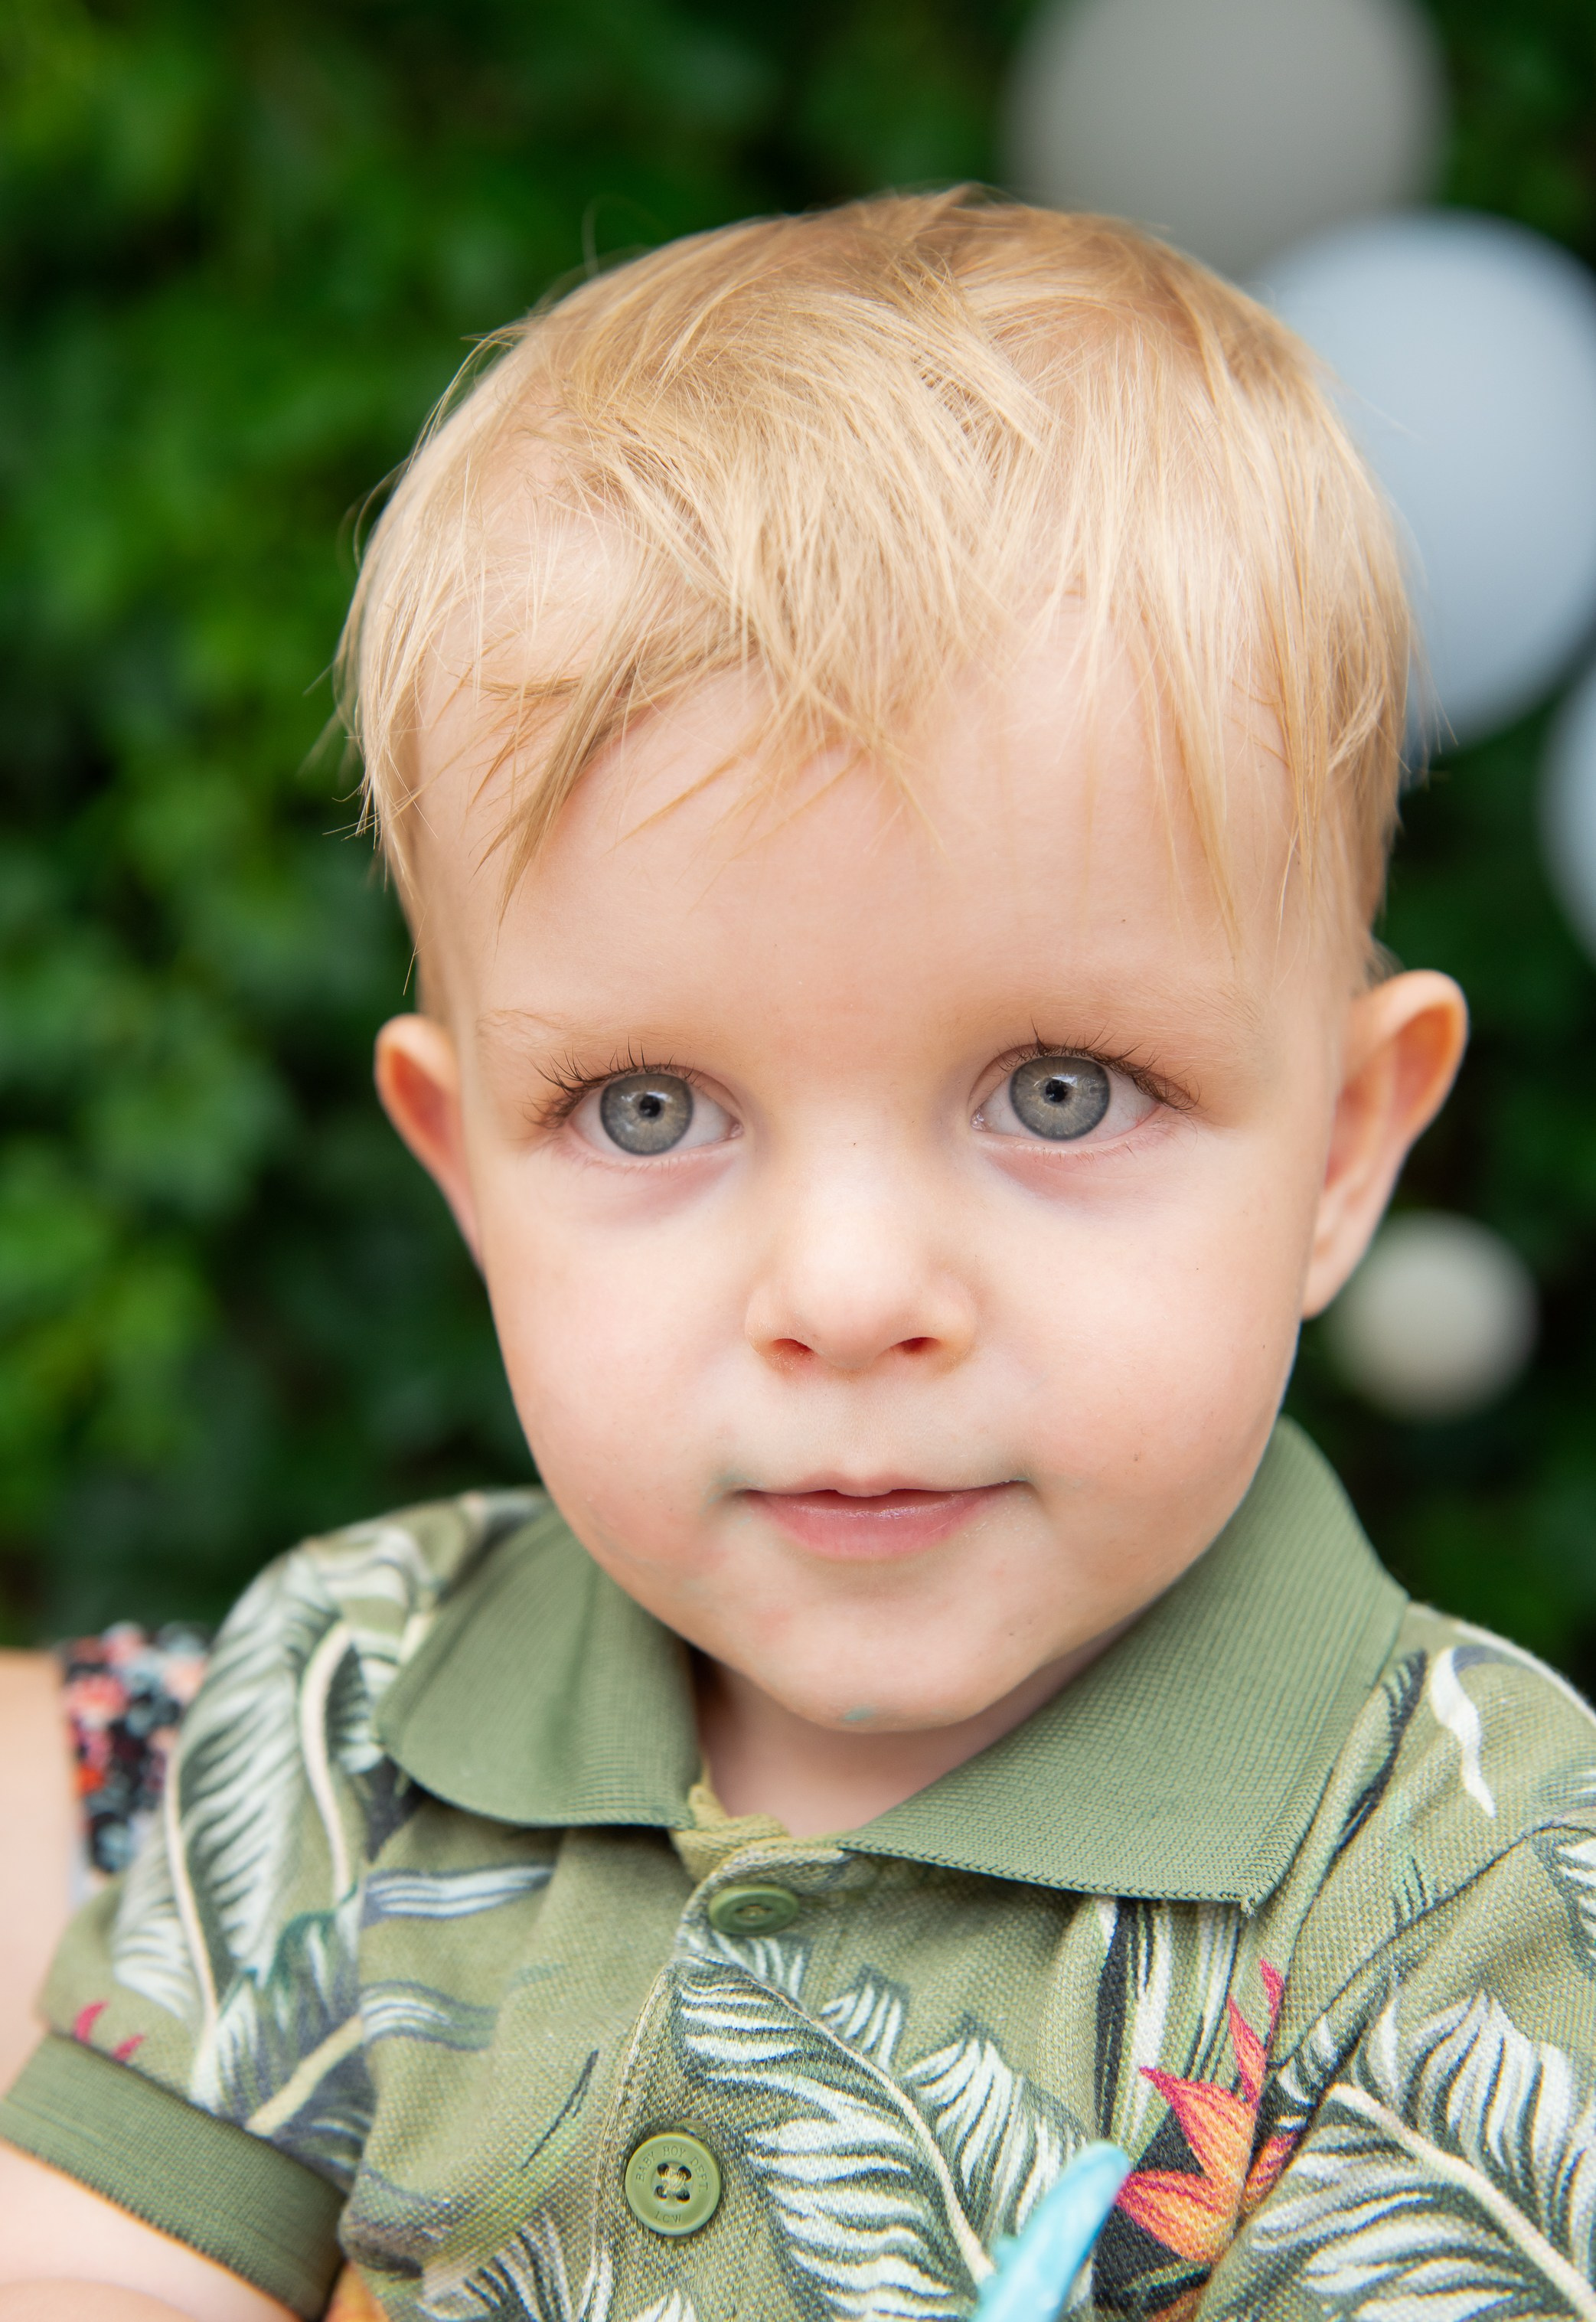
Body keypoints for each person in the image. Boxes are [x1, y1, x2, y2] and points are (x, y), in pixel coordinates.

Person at [1, 191, 1591, 2322]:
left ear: (1340, 1149)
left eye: (1059, 1089)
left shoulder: (1473, 1888)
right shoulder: (342, 1709)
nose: (848, 1293)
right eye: (649, 1108)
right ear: (464, 1167)